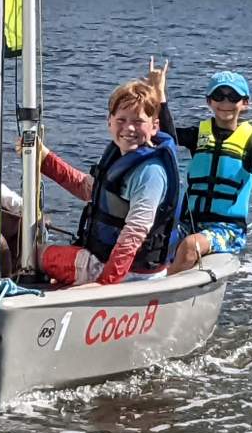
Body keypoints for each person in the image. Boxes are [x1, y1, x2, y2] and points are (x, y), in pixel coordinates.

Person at [148, 62, 252, 274]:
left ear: (245, 103)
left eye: (233, 97)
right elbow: (168, 136)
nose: (225, 102)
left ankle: (162, 294)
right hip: (189, 223)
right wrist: (159, 92)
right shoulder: (199, 134)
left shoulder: (249, 143)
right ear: (209, 101)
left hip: (227, 229)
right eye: (219, 96)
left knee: (190, 246)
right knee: (149, 239)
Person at [36, 79, 184, 286]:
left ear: (154, 127)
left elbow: (135, 232)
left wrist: (106, 283)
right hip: (109, 260)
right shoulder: (119, 155)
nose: (129, 128)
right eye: (121, 120)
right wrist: (43, 159)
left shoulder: (150, 173)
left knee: (35, 254)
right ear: (109, 122)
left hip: (131, 273)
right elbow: (88, 189)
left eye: (138, 121)